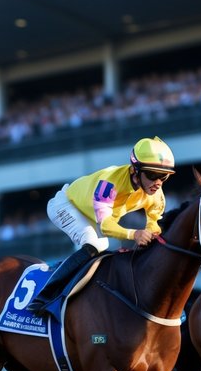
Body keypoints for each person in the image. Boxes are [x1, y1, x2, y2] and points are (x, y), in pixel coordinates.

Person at [28, 136, 176, 318]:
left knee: (109, 250)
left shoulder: (156, 195)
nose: (158, 183)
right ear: (135, 170)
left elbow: (154, 224)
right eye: (153, 175)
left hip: (93, 215)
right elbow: (106, 226)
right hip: (66, 205)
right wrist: (135, 234)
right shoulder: (109, 183)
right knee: (94, 244)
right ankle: (44, 297)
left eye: (164, 176)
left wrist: (151, 236)